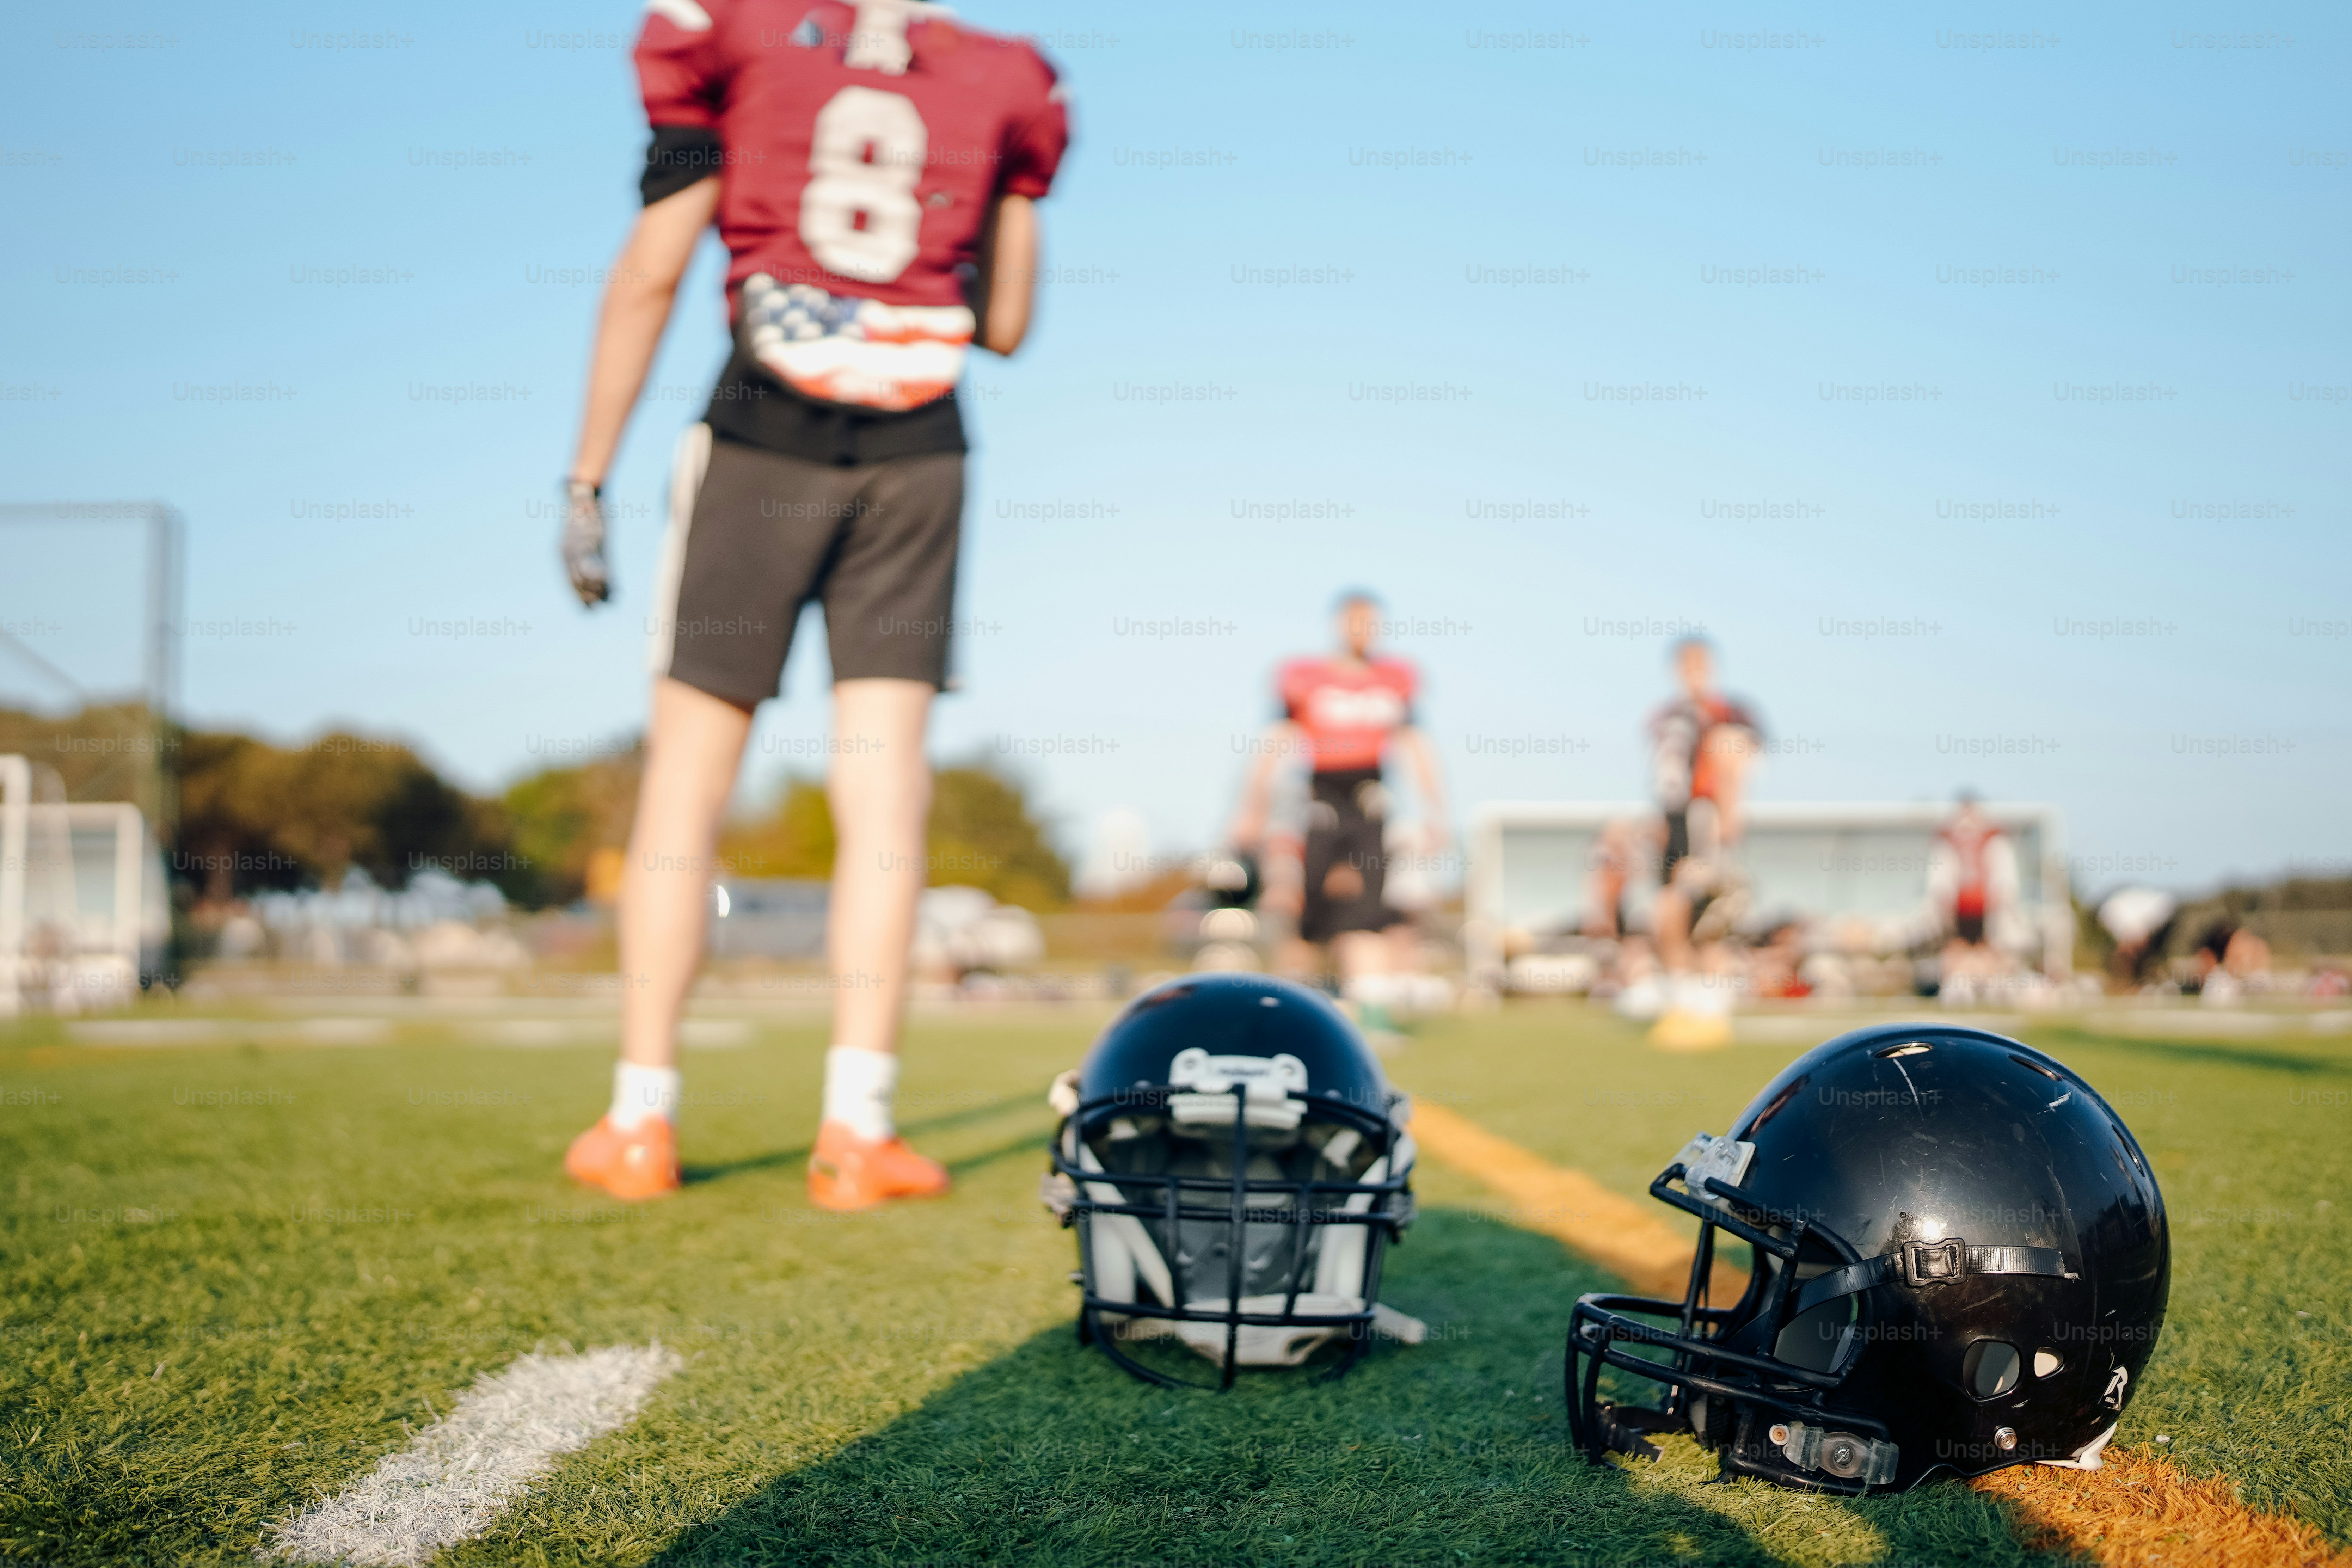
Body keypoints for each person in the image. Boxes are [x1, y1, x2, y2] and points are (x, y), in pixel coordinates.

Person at [556, 0, 1069, 1208]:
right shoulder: (1008, 73)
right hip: (920, 444)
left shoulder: (730, 31)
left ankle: (640, 1118)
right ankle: (858, 1125)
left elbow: (651, 271)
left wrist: (587, 475)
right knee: (884, 778)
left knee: (687, 777)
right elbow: (1002, 324)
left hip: (761, 432)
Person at [1227, 593, 1448, 1033]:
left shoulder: (1394, 679)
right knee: (1305, 915)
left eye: (1372, 623)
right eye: (1356, 622)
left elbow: (1415, 745)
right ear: (1339, 625)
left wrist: (1435, 810)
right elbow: (1275, 742)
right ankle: (1282, 1014)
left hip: (1369, 801)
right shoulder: (1305, 677)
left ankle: (1373, 1019)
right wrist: (1251, 807)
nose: (1364, 631)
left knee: (1368, 913)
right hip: (1319, 802)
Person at [1643, 637, 1762, 1047]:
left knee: (1700, 920)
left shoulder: (1725, 712)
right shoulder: (1668, 716)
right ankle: (1686, 1006)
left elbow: (1733, 763)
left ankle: (1710, 1012)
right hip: (1675, 823)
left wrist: (1727, 820)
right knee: (1672, 920)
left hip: (1704, 819)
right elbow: (1666, 779)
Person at [1926, 790, 2020, 1006]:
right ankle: (1956, 986)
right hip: (1959, 907)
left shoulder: (1994, 839)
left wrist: (2002, 903)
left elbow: (2004, 877)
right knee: (1956, 946)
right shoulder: (1947, 840)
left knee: (1991, 947)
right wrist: (1943, 907)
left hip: (1987, 906)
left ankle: (1996, 986)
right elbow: (1940, 880)